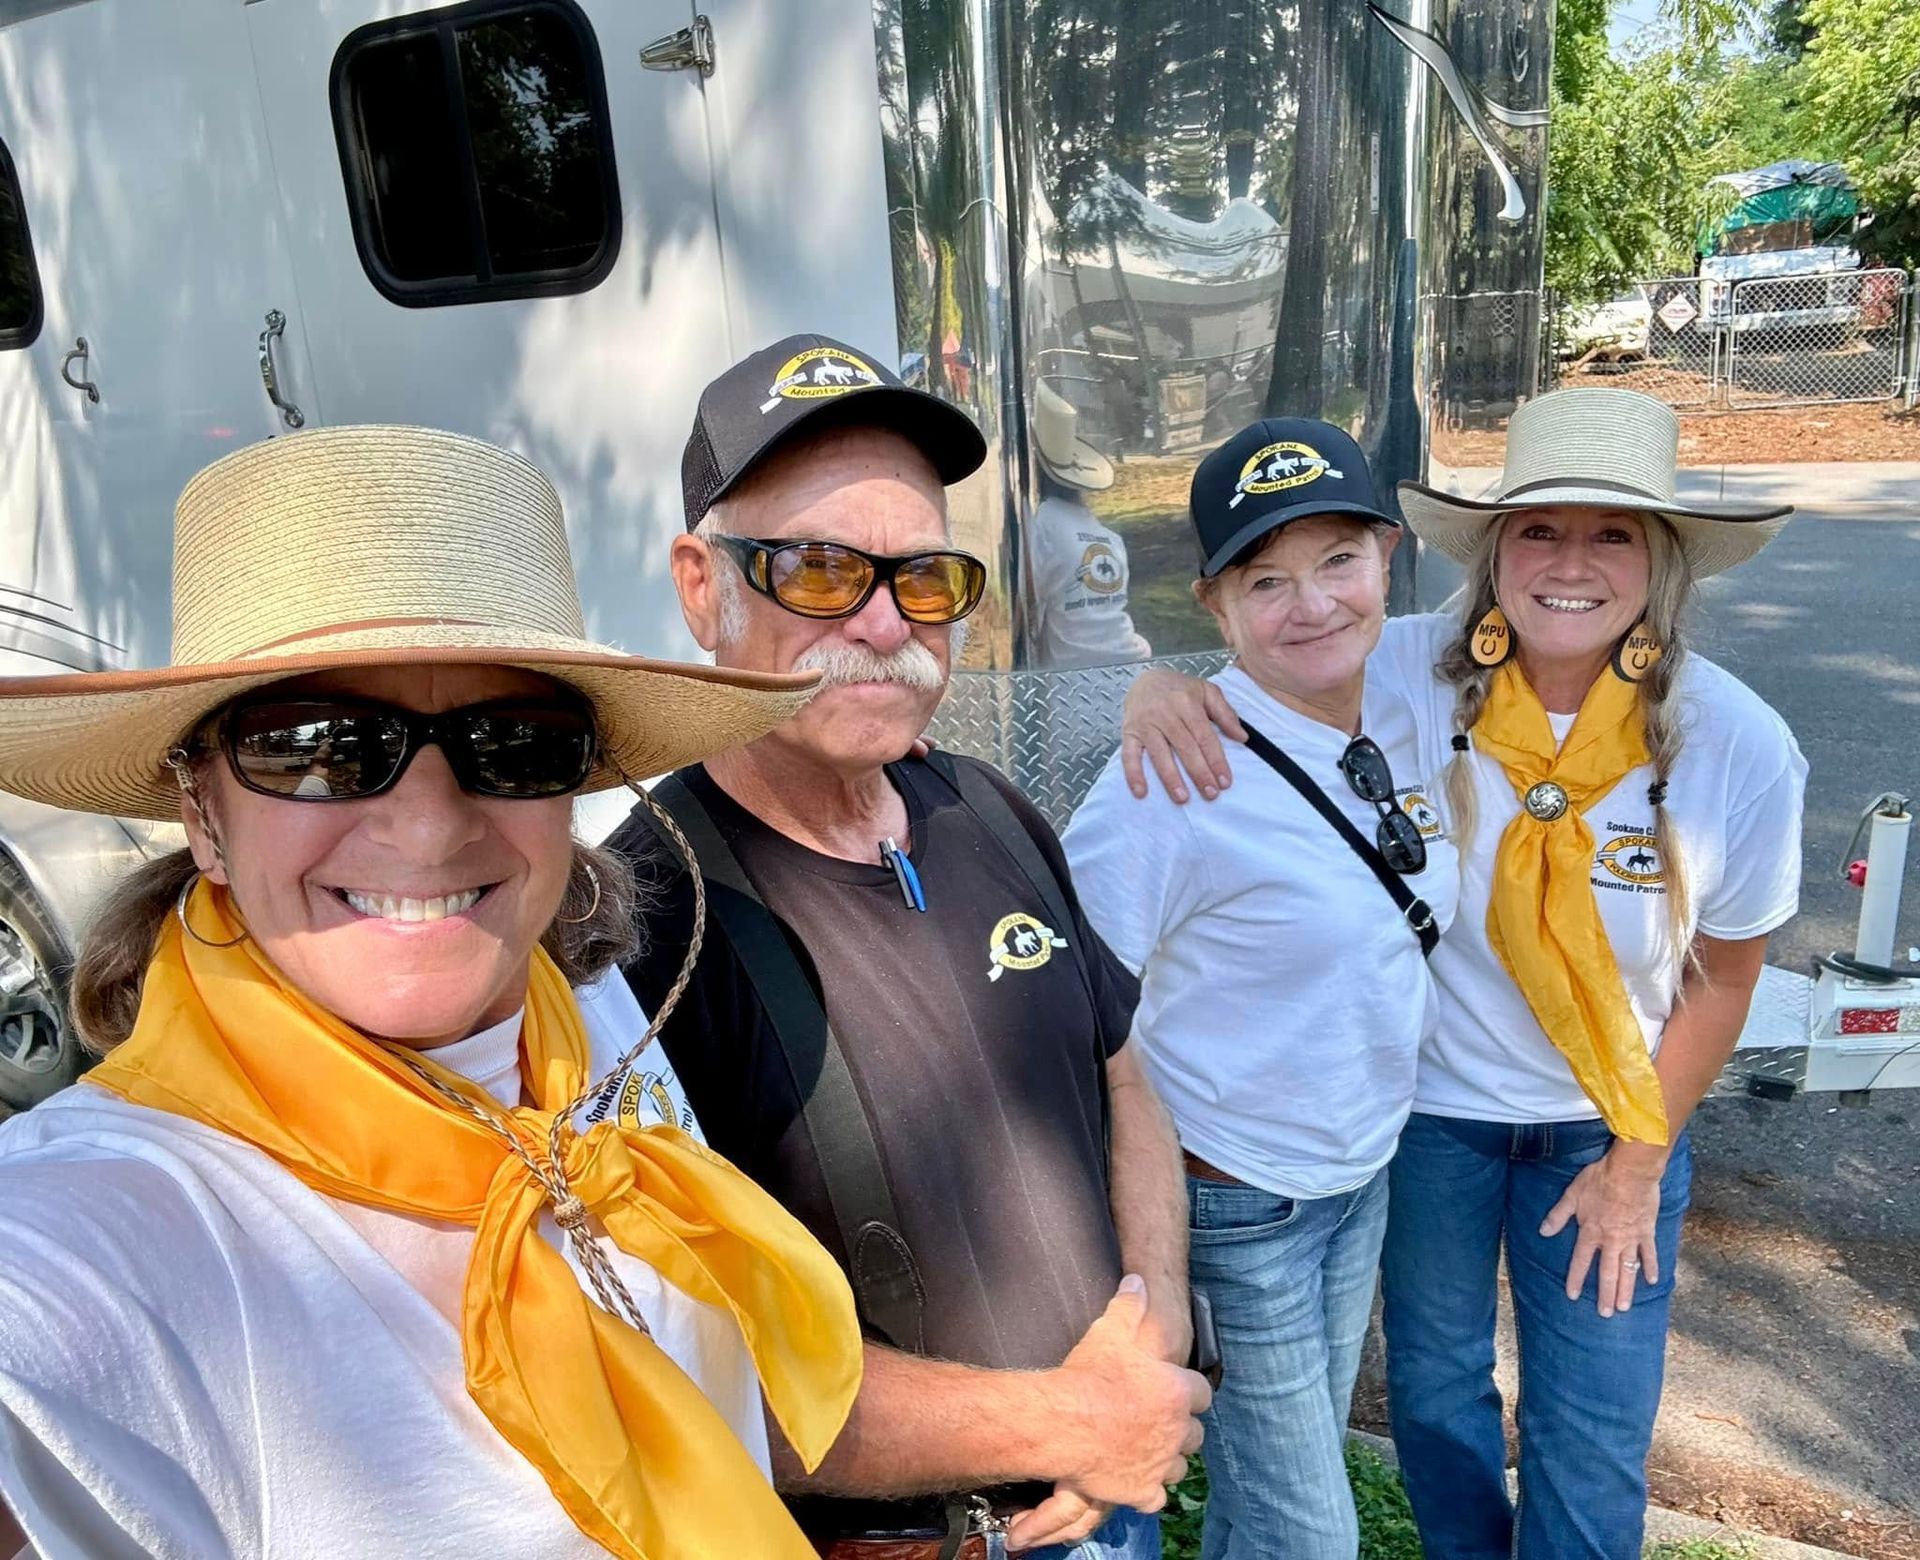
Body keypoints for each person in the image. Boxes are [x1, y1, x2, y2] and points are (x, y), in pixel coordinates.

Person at [0, 426, 864, 1559]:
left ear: (573, 792)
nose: (428, 819)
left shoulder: (585, 1018)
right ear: (202, 810)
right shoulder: (115, 1226)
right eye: (318, 742)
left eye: (514, 740)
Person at [1117, 386, 1805, 1559]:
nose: (1570, 564)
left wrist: (1638, 1165)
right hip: (1430, 1125)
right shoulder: (1402, 668)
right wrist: (1153, 691)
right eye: (1540, 528)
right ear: (1495, 550)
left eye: (1611, 533)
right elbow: (1266, 653)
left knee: (1592, 1428)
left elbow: (1724, 981)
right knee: (1435, 1403)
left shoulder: (1736, 740)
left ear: (1664, 560)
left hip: (1613, 1129)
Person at [606, 334, 1208, 1560]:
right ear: (700, 583)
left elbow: (1124, 1072)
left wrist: (1146, 1345)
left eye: (924, 577)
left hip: (1114, 1502)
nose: (884, 621)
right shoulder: (640, 920)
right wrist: (1072, 1420)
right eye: (820, 570)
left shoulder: (982, 805)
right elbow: (673, 1364)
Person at [1062, 419, 1460, 1559]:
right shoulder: (1175, 773)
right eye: (1266, 580)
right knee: (1310, 1537)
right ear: (1215, 606)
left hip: (1355, 1180)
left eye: (1339, 561)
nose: (1315, 604)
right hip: (1238, 1204)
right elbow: (1074, 999)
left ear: (1388, 556)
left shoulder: (1402, 700)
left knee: (1268, 1492)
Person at [1027, 383, 1152, 670]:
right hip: (1129, 661)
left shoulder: (1044, 522)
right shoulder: (1109, 537)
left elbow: (1029, 602)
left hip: (1075, 675)